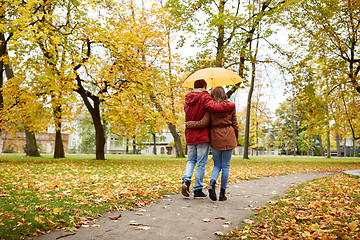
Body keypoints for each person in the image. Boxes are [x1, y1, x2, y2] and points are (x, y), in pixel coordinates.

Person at [182, 80, 236, 198]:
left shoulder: (187, 98)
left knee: (191, 160)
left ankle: (186, 180)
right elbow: (215, 108)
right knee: (202, 162)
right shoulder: (205, 98)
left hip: (190, 134)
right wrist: (230, 105)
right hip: (202, 135)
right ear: (204, 86)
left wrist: (188, 124)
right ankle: (197, 189)